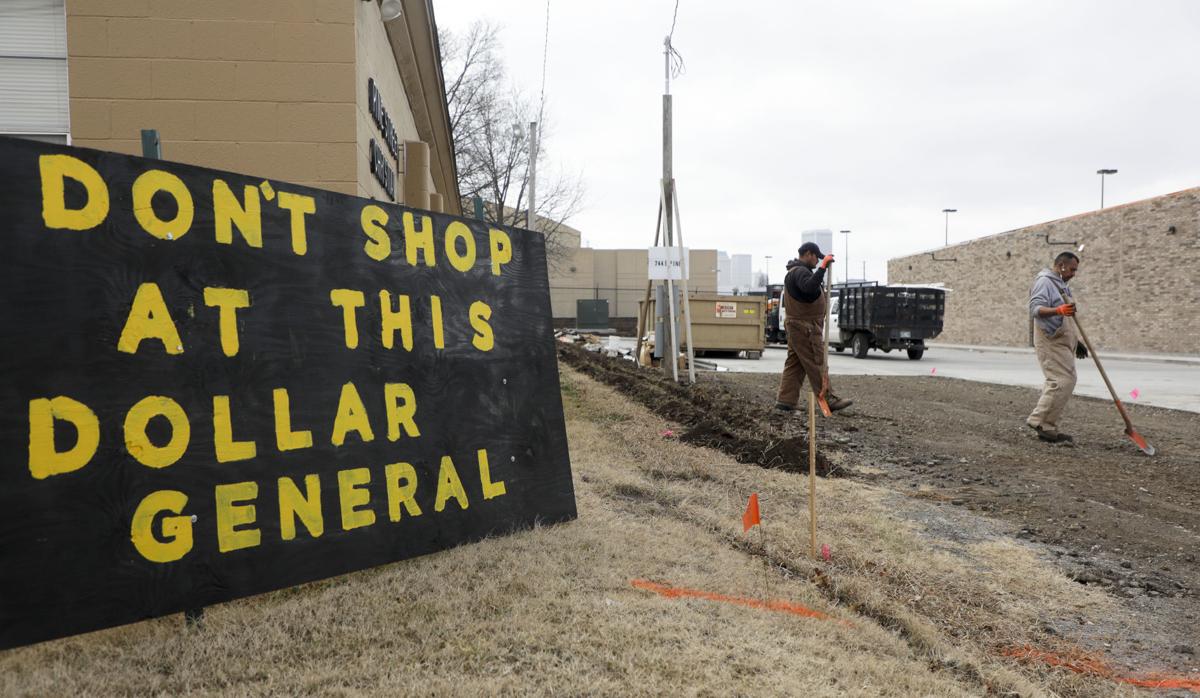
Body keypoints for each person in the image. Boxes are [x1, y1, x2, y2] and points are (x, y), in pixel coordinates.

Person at [775, 242, 853, 413]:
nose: (817, 261)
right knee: (816, 362)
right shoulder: (800, 272)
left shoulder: (795, 272)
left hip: (798, 326)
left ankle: (785, 401)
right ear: (808, 254)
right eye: (816, 257)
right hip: (805, 327)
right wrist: (823, 268)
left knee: (795, 364)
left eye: (820, 260)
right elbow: (809, 288)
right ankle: (828, 398)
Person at [1026, 251, 1085, 443]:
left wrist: (1077, 340)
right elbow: (1035, 309)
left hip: (1061, 340)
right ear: (1061, 265)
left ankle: (1046, 425)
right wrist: (1057, 310)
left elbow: (1066, 317)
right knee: (1062, 380)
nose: (1074, 273)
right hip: (1050, 339)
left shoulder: (1061, 285)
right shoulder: (1045, 282)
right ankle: (1040, 421)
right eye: (1072, 269)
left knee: (1063, 380)